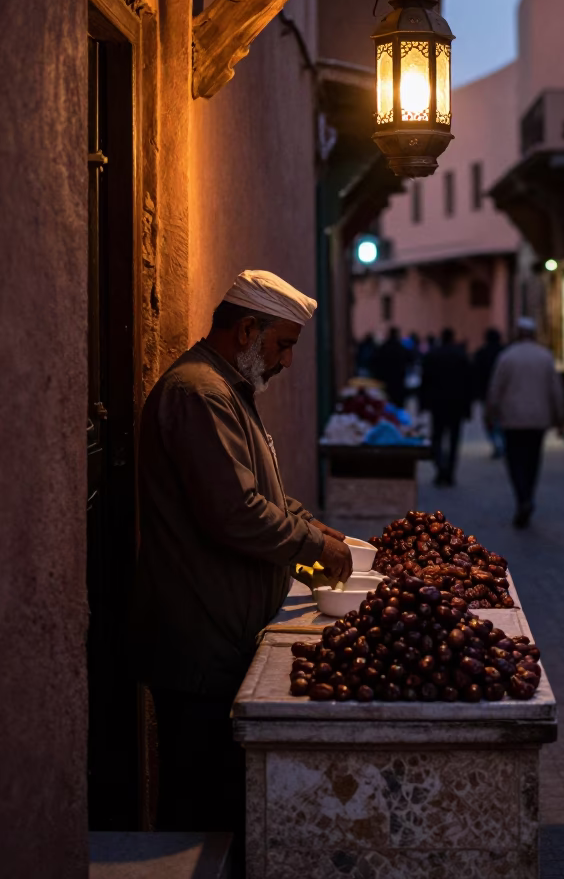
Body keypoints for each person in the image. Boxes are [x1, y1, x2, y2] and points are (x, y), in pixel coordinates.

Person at [131, 270, 353, 836]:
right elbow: (235, 512)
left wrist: (317, 528)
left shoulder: (227, 388)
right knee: (200, 807)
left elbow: (261, 493)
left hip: (223, 630)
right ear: (248, 329)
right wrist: (313, 545)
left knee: (223, 799)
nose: (286, 361)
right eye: (283, 345)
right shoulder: (199, 393)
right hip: (202, 639)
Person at [485, 317, 564, 527]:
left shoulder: (507, 357)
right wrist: (560, 417)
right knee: (532, 460)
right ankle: (528, 495)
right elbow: (556, 389)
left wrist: (491, 411)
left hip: (512, 419)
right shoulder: (545, 357)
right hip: (538, 419)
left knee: (515, 461)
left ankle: (522, 497)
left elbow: (496, 388)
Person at [419, 328, 473, 486]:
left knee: (437, 437)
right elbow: (468, 384)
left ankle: (440, 468)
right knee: (454, 440)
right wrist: (467, 408)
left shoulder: (432, 356)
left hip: (438, 404)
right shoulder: (461, 356)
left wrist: (423, 404)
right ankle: (449, 471)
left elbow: (425, 381)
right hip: (456, 404)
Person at [473, 327, 505, 458]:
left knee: (489, 421)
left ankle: (497, 444)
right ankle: (502, 443)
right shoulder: (504, 352)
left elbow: (476, 374)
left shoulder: (481, 353)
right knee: (502, 420)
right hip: (503, 393)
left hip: (486, 393)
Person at [371, 325, 410, 407]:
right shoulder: (401, 348)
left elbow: (375, 363)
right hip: (398, 384)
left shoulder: (383, 348)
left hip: (385, 384)